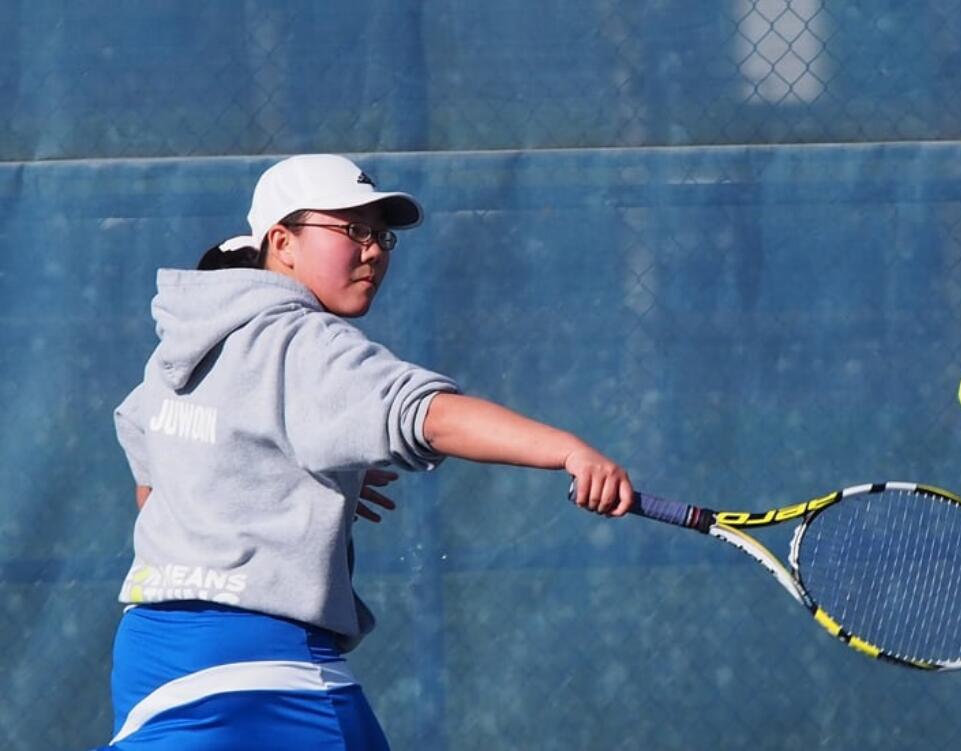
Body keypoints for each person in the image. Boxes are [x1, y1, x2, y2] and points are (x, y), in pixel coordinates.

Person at [101, 154, 635, 749]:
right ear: (283, 242)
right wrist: (568, 451)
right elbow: (426, 415)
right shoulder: (303, 341)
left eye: (380, 235)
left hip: (149, 657)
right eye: (350, 229)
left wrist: (270, 485)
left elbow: (156, 477)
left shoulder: (177, 349)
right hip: (263, 670)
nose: (374, 250)